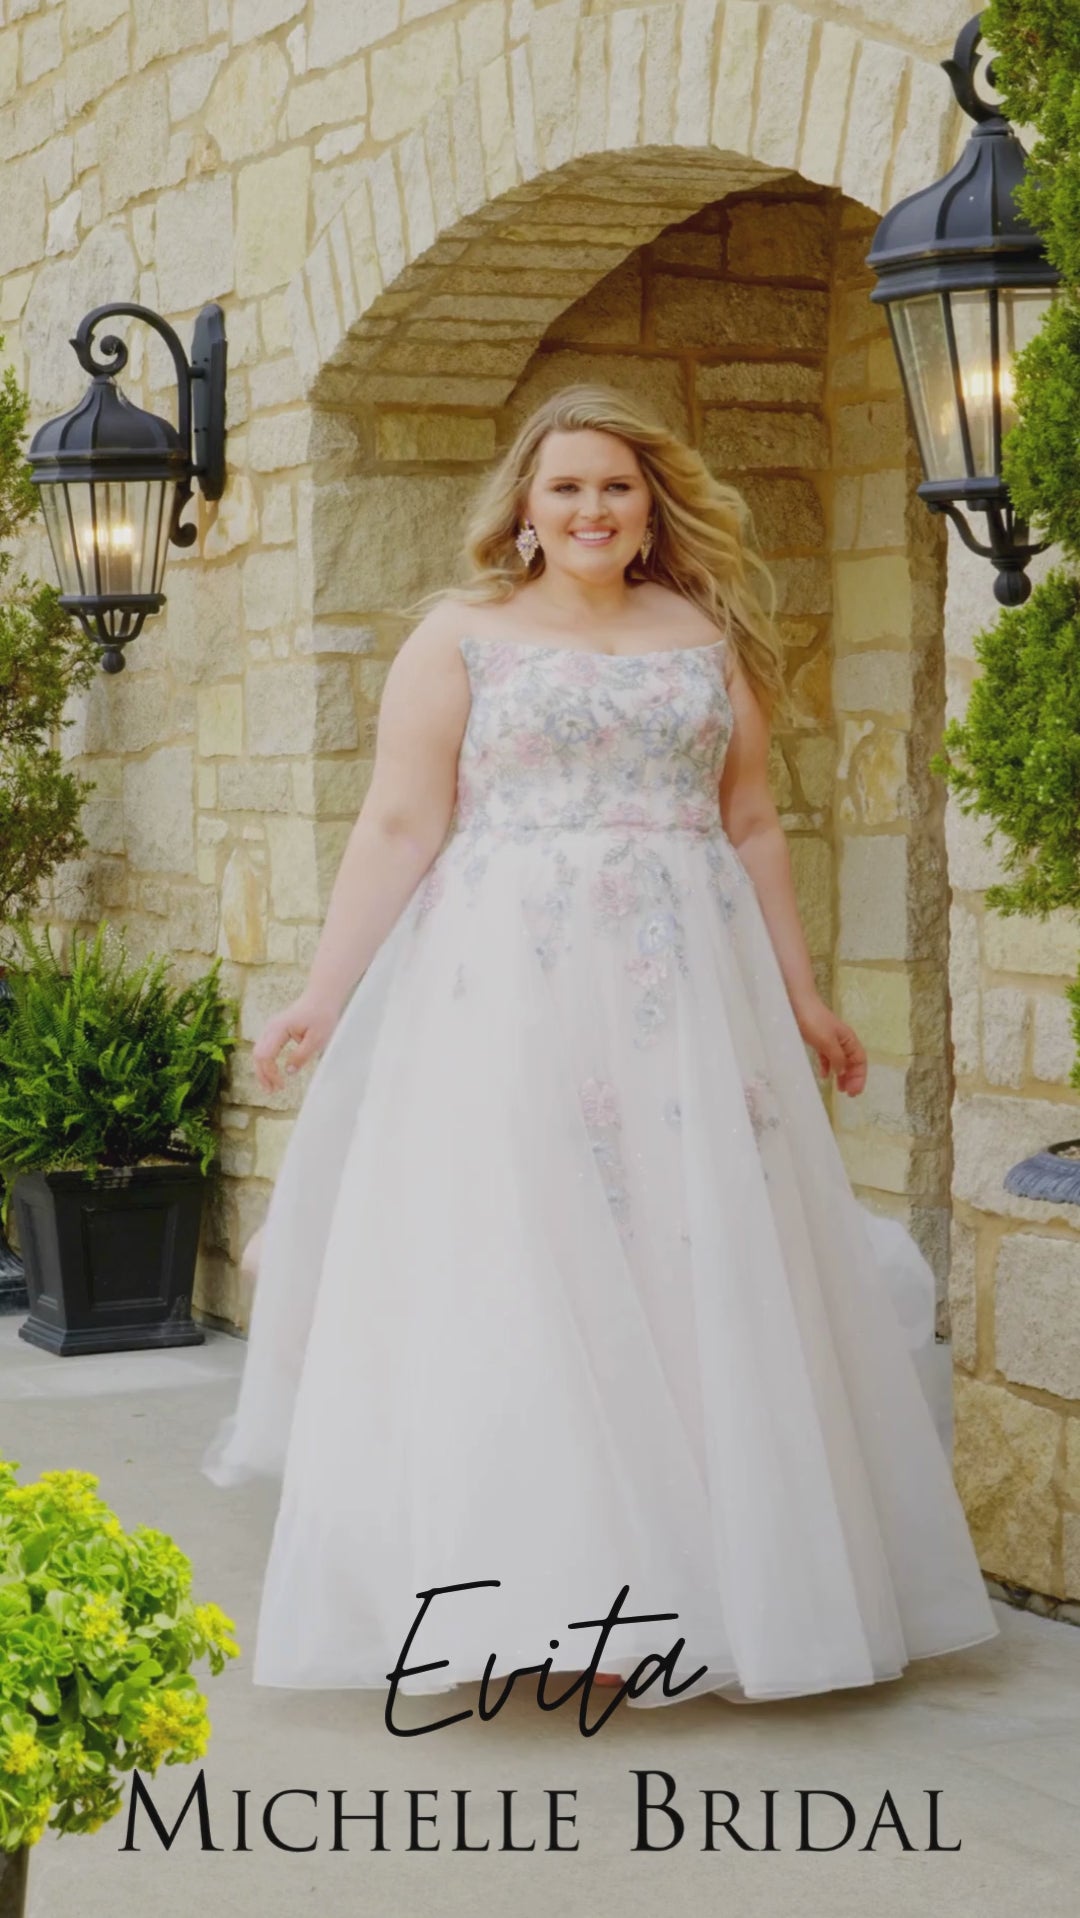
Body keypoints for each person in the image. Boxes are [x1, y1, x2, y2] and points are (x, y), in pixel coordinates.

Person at [202, 384, 998, 1708]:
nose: (590, 508)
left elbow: (749, 822)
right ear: (523, 506)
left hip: (684, 998)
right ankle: (532, 1597)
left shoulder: (704, 634)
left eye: (615, 487)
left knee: (690, 1262)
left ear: (648, 509)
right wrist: (322, 996)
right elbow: (400, 825)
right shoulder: (458, 639)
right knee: (530, 1265)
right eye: (565, 486)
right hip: (506, 989)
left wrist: (802, 996)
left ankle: (692, 1593)